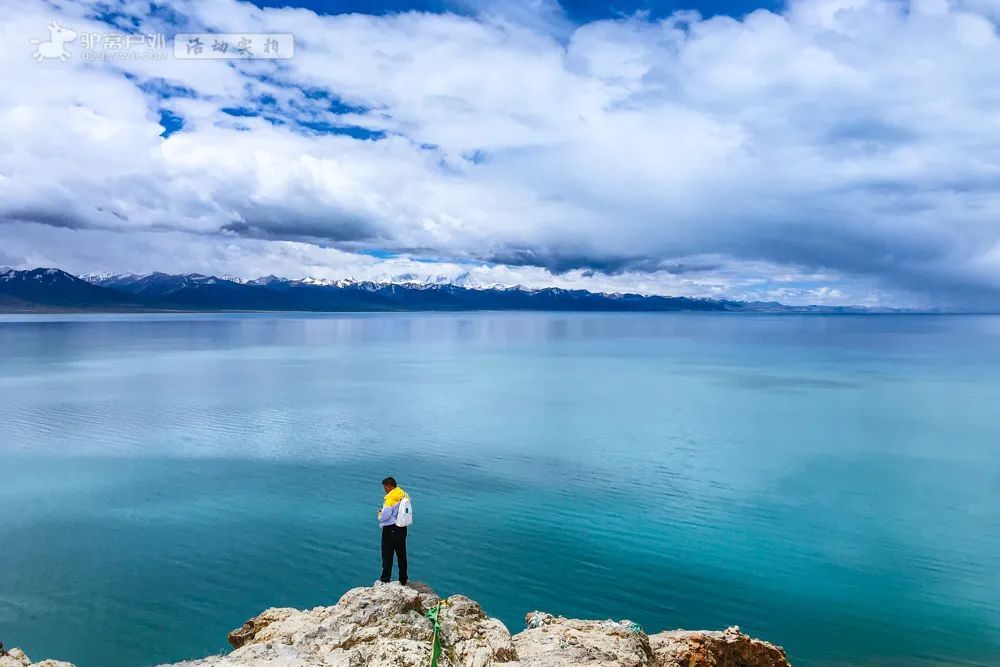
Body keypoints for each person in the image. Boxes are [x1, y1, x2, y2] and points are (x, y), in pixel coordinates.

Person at [377, 476, 409, 585]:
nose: (384, 490)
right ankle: (403, 579)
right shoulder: (404, 494)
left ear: (389, 486)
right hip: (402, 527)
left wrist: (379, 515)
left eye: (385, 487)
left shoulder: (390, 498)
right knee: (401, 554)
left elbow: (385, 515)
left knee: (387, 555)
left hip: (390, 528)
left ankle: (385, 579)